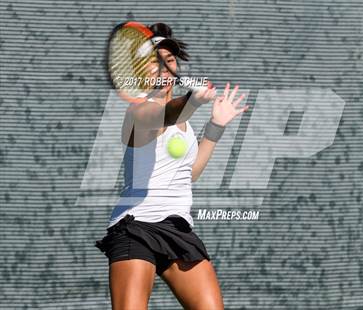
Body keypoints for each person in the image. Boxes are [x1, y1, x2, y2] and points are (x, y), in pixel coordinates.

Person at [95, 22, 249, 310]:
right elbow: (161, 115)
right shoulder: (139, 111)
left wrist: (216, 126)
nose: (165, 66)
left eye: (169, 60)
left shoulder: (185, 125)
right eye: (156, 61)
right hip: (136, 228)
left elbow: (188, 175)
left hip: (177, 228)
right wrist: (192, 102)